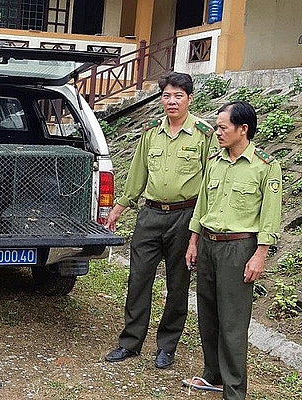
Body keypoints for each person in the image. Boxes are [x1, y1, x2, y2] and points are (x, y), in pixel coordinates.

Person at [103, 72, 217, 369]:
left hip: (186, 216)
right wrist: (119, 207)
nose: (172, 101)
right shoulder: (151, 132)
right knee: (138, 279)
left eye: (178, 96)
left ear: (189, 99)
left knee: (178, 284)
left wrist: (202, 224)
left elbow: (212, 180)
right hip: (150, 215)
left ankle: (167, 345)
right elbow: (138, 172)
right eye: (167, 95)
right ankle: (130, 342)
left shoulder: (205, 134)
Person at [182, 101, 282, 399]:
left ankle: (234, 390)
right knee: (208, 317)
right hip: (209, 245)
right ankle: (212, 374)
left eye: (223, 128)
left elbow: (270, 216)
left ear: (243, 129)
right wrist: (193, 240)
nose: (217, 132)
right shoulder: (215, 161)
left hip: (239, 249)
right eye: (216, 127)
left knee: (232, 323)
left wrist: (260, 254)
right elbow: (203, 204)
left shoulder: (265, 166)